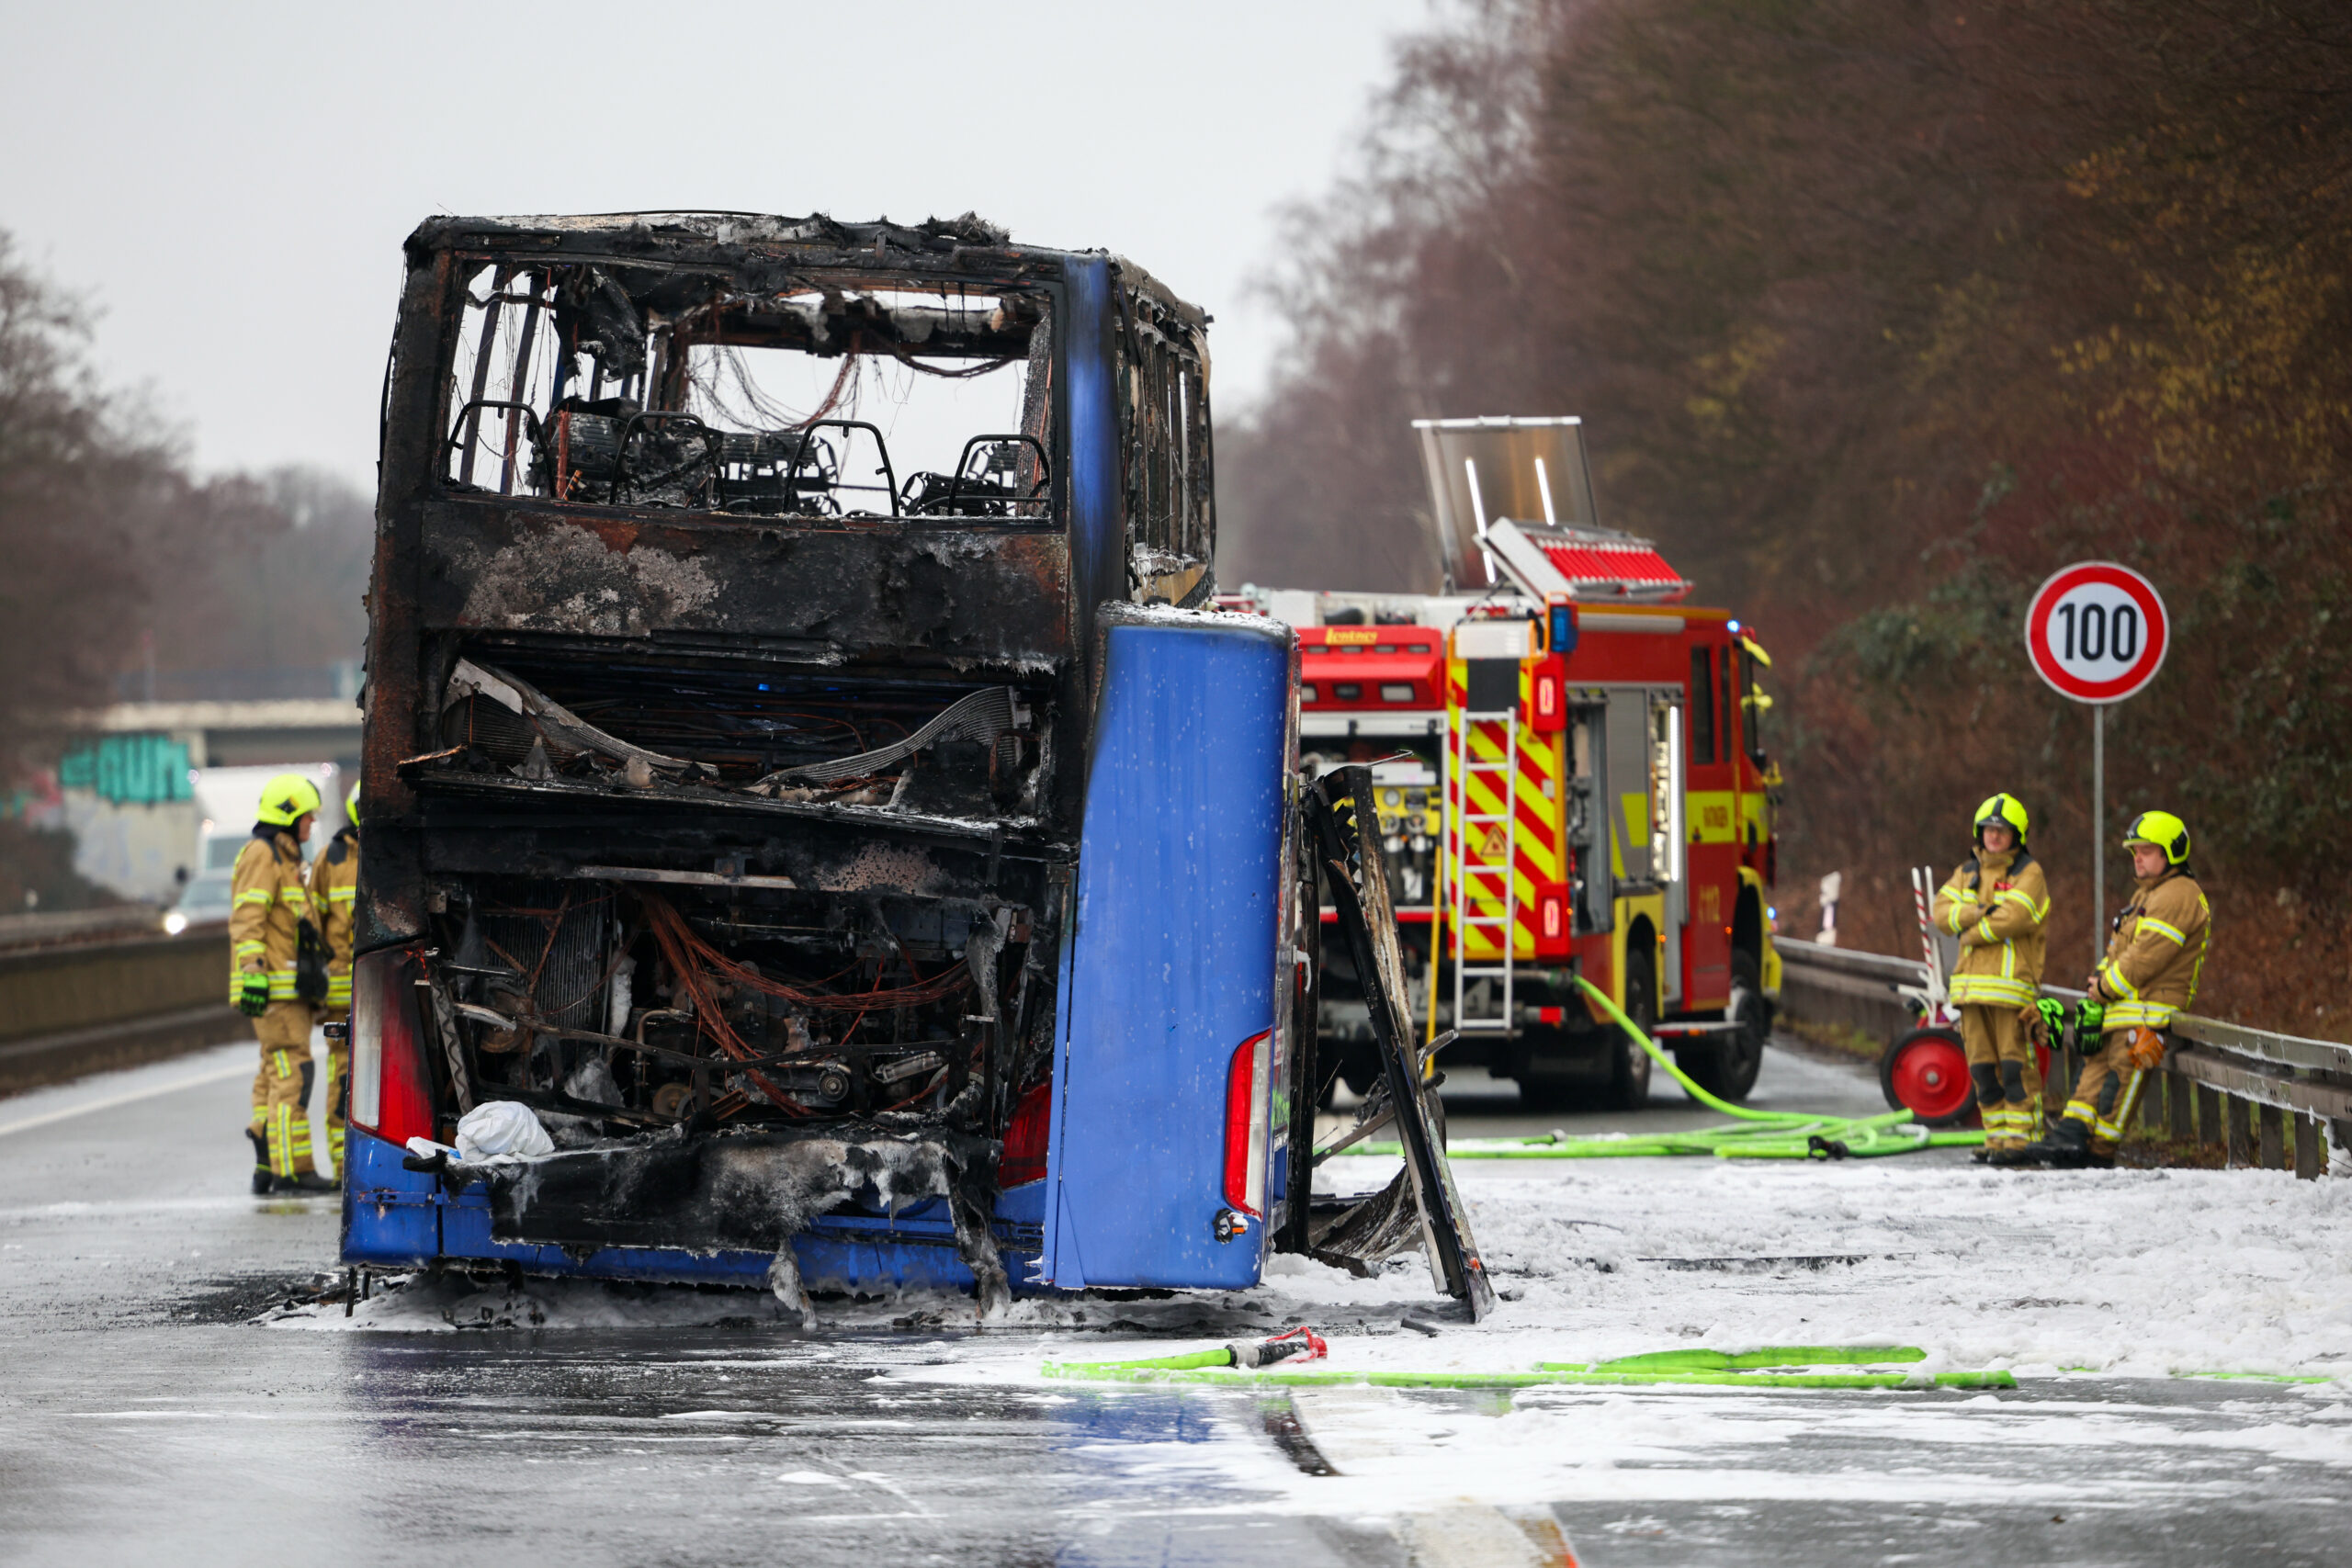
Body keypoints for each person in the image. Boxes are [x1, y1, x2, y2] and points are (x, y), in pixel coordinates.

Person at [2011, 810, 2210, 1169]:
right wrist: (2097, 986)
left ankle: (2098, 1153)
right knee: (2091, 1074)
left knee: (2118, 1085)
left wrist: (2102, 988)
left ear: (2171, 853)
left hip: (2148, 1014)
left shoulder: (2179, 895)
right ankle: (2072, 1135)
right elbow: (2118, 953)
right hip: (2121, 1011)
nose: (2137, 857)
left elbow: (2146, 958)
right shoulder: (2147, 895)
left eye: (2146, 850)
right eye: (2134, 850)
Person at [232, 773, 336, 1194]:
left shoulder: (285, 859)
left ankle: (266, 1150)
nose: (312, 824)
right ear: (289, 814)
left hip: (286, 988)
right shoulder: (263, 855)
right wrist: (253, 971)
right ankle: (293, 1170)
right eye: (308, 817)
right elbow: (248, 919)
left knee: (273, 1071)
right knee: (295, 1070)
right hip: (274, 988)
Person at [1929, 794, 2050, 1159]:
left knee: (2015, 1068)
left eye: (2002, 831)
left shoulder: (2029, 874)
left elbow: (2016, 918)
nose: (1994, 836)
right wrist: (1981, 911)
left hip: (2012, 991)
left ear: (2017, 836)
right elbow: (1940, 913)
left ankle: (2023, 1140)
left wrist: (1971, 930)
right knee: (1982, 1069)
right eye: (1988, 830)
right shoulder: (1967, 872)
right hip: (1970, 991)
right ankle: (1996, 1140)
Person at [307, 780, 360, 1179]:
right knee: (344, 1080)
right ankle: (345, 1164)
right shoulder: (333, 857)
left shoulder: (332, 857)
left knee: (346, 1078)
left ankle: (349, 1164)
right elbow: (310, 926)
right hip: (347, 993)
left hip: (356, 988)